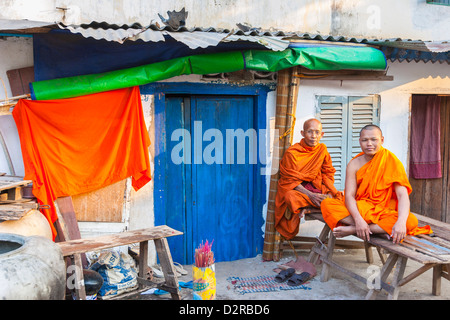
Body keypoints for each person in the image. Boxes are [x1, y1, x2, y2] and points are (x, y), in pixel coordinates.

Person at [321, 124, 432, 244]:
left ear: (382, 140)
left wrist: (400, 222)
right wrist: (358, 220)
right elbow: (349, 196)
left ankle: (353, 230)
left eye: (374, 139)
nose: (369, 144)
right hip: (362, 209)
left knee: (410, 221)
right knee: (327, 204)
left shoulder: (391, 161)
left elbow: (402, 196)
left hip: (383, 211)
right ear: (360, 141)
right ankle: (379, 229)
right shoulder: (354, 164)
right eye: (365, 140)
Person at [274, 118, 343, 240]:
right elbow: (290, 180)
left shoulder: (322, 150)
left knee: (339, 197)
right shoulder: (292, 153)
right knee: (289, 197)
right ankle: (315, 205)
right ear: (302, 133)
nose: (313, 136)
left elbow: (328, 173)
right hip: (302, 192)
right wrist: (311, 195)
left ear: (322, 134)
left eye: (317, 132)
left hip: (318, 189)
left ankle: (309, 209)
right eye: (310, 132)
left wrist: (331, 191)